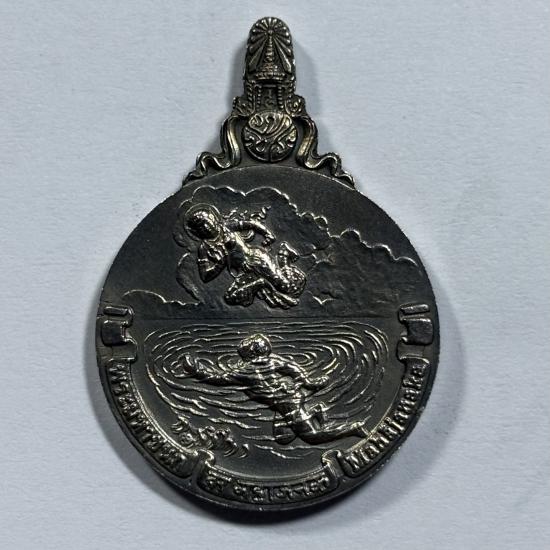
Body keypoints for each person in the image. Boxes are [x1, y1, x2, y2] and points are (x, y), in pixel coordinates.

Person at [182, 334, 369, 444]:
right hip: (286, 400)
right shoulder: (271, 362)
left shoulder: (243, 371)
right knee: (282, 438)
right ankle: (315, 411)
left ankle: (352, 429)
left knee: (311, 437)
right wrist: (307, 381)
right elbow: (291, 367)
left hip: (288, 404)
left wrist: (195, 371)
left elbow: (218, 379)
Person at [184, 205, 306, 308]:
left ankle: (283, 255)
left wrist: (267, 233)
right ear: (197, 232)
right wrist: (219, 264)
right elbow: (205, 276)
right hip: (243, 272)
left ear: (213, 218)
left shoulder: (227, 227)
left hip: (256, 259)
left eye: (206, 222)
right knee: (230, 298)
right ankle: (260, 283)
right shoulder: (204, 248)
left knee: (287, 287)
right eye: (200, 227)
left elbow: (252, 224)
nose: (206, 227)